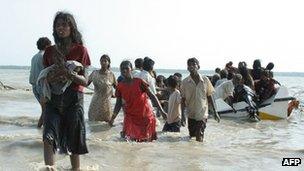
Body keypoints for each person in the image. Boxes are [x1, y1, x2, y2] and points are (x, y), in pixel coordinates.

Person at [42, 11, 90, 170]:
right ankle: (49, 168)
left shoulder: (81, 50)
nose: (60, 28)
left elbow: (85, 81)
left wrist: (69, 74)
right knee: (48, 135)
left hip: (74, 99)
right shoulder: (49, 52)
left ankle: (76, 169)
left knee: (74, 138)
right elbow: (44, 79)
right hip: (53, 99)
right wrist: (54, 77)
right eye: (57, 25)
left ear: (71, 27)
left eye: (64, 24)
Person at [109, 61, 167, 142]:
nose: (124, 71)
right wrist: (112, 118)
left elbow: (152, 96)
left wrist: (162, 111)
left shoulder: (139, 82)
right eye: (122, 69)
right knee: (127, 141)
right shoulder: (120, 86)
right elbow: (118, 104)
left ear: (131, 69)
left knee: (145, 142)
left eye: (126, 68)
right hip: (130, 117)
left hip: (145, 116)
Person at [181, 58, 220, 142]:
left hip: (202, 113)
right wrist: (183, 116)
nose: (191, 66)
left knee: (199, 135)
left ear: (198, 66)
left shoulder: (205, 80)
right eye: (189, 65)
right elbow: (183, 99)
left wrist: (215, 111)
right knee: (192, 137)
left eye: (193, 64)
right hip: (191, 113)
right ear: (187, 68)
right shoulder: (184, 82)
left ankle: (201, 154)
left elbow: (209, 96)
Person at [29, 37, 51, 128]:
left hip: (34, 86)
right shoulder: (44, 56)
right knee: (46, 110)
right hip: (42, 86)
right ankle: (40, 128)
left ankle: (40, 128)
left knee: (45, 110)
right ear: (47, 46)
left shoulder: (34, 57)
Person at [87, 54, 117, 122]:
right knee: (92, 125)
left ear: (108, 62)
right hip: (95, 104)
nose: (103, 62)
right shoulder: (94, 73)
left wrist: (114, 95)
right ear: (100, 62)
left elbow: (118, 89)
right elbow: (85, 83)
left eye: (105, 61)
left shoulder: (111, 75)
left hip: (106, 106)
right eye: (102, 61)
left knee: (106, 127)